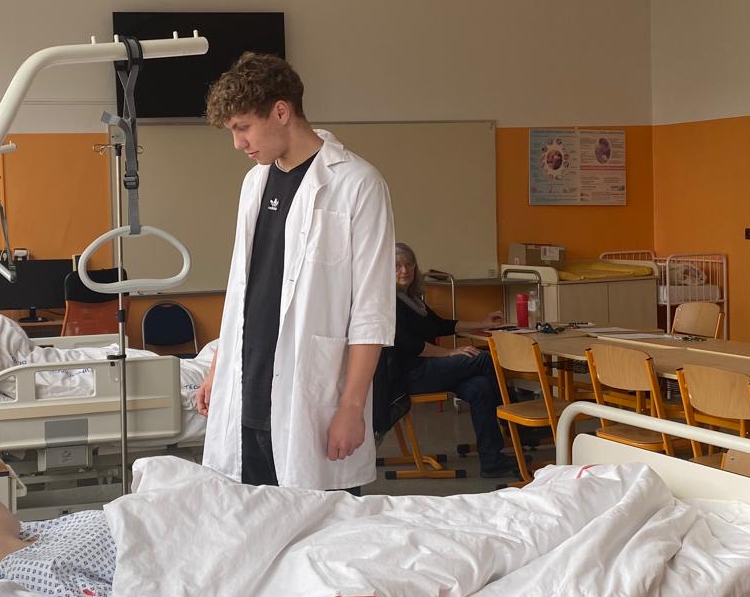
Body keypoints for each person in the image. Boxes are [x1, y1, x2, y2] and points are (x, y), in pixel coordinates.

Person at [192, 52, 395, 492]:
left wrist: (351, 407)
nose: (238, 143)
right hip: (246, 390)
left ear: (281, 112)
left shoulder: (357, 184)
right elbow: (244, 288)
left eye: (243, 127)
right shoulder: (254, 182)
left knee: (322, 522)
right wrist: (218, 368)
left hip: (311, 397)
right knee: (251, 520)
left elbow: (372, 310)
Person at [390, 243, 516, 480]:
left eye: (409, 264)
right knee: (483, 360)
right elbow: (408, 344)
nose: (404, 270)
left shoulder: (412, 299)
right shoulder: (388, 302)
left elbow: (441, 325)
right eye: (397, 266)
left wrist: (483, 323)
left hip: (429, 369)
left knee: (480, 387)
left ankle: (492, 461)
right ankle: (517, 425)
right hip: (412, 375)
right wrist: (448, 353)